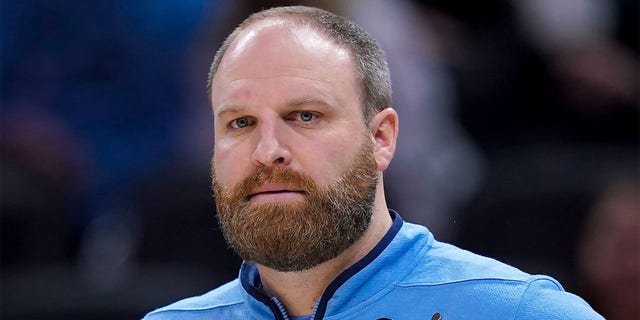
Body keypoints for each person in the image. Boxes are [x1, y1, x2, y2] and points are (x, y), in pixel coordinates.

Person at [143, 6, 603, 319]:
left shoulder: (519, 312)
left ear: (381, 137)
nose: (268, 150)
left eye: (305, 116)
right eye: (240, 123)